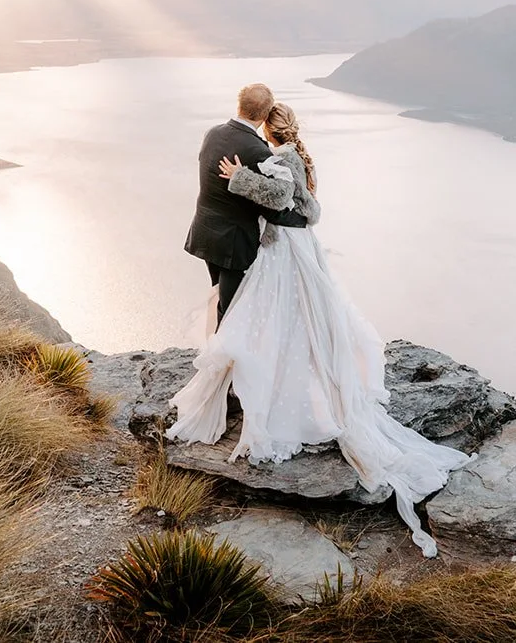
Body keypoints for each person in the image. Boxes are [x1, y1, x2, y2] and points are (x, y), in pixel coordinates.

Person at [169, 101, 471, 557]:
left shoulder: (283, 157)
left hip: (288, 249)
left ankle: (269, 386)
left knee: (285, 320)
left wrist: (239, 178)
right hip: (286, 246)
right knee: (282, 320)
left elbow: (293, 206)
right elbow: (300, 205)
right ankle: (257, 377)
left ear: (267, 129)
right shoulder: (289, 153)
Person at [183, 83, 307, 327]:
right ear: (264, 115)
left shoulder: (212, 133)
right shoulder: (258, 151)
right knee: (231, 309)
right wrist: (300, 220)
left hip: (207, 233)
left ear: (239, 105)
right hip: (233, 243)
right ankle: (223, 362)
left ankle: (217, 355)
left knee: (219, 297)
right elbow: (280, 199)